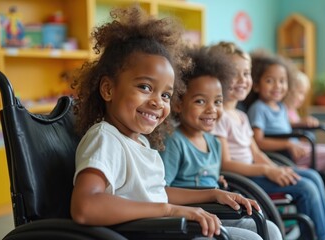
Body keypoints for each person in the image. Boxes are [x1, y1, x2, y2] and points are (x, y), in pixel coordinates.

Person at [70, 6, 263, 239]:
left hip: (165, 228)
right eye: (145, 87)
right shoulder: (105, 138)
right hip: (149, 233)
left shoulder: (139, 141)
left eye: (165, 95)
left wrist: (212, 194)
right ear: (108, 89)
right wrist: (169, 210)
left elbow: (158, 193)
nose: (157, 102)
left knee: (264, 228)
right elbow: (85, 207)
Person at [208, 42, 325, 240]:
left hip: (255, 172)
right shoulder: (218, 116)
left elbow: (256, 153)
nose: (242, 80)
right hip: (242, 180)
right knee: (306, 188)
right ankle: (319, 236)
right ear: (217, 76)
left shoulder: (241, 115)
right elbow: (226, 164)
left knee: (313, 177)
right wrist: (267, 170)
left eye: (246, 73)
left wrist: (276, 169)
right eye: (234, 73)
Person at [159, 46, 282, 240]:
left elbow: (207, 176)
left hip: (216, 213)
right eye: (200, 101)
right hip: (187, 221)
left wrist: (217, 183)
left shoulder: (213, 142)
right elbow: (161, 192)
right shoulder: (175, 142)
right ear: (178, 104)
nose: (211, 110)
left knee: (271, 230)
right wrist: (211, 192)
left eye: (217, 102)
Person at [245, 52, 325, 220]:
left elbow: (284, 128)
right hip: (286, 155)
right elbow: (259, 141)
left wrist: (300, 123)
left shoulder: (280, 107)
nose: (277, 86)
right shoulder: (258, 109)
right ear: (257, 85)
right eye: (270, 81)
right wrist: (288, 145)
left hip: (298, 149)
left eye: (282, 81)